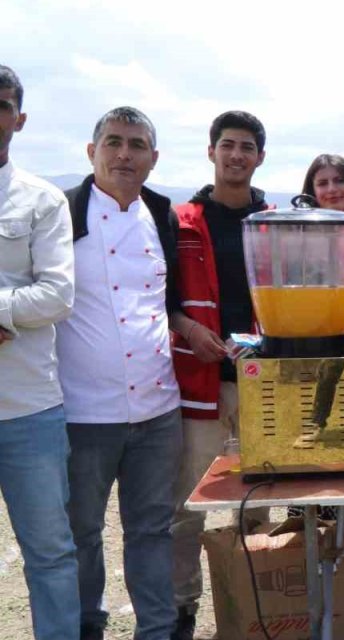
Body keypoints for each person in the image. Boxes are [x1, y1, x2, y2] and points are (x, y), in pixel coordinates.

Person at [58, 107, 185, 640]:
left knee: (152, 530)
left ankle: (156, 630)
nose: (124, 154)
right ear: (92, 152)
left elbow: (167, 301)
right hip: (85, 411)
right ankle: (89, 625)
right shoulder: (63, 214)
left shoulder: (163, 214)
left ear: (153, 159)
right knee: (82, 532)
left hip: (159, 408)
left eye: (136, 145)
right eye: (113, 142)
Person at [167, 110, 272, 639]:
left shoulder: (274, 222)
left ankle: (259, 599)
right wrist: (187, 327)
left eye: (247, 147)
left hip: (260, 383)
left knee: (259, 496)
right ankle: (181, 607)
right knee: (188, 500)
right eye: (227, 145)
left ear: (259, 157)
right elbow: (156, 298)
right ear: (211, 152)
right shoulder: (179, 221)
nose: (236, 155)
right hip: (200, 382)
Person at [0, 64, 80, 640]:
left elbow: (57, 294)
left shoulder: (42, 200)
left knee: (50, 554)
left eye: (2, 105)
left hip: (27, 409)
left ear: (19, 119)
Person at [284, 153, 344, 525]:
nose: (332, 190)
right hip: (317, 369)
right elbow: (325, 317)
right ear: (311, 191)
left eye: (339, 181)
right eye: (323, 183)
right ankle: (309, 563)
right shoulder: (303, 244)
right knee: (316, 466)